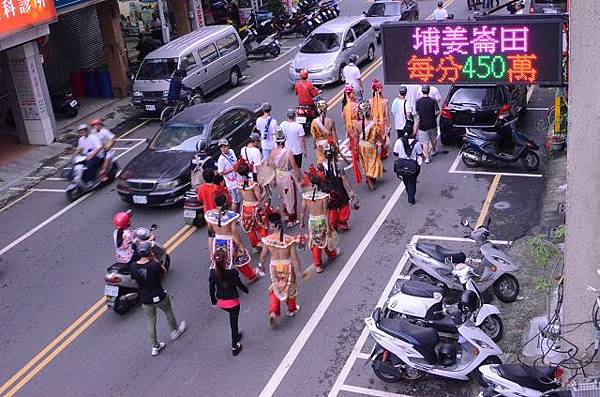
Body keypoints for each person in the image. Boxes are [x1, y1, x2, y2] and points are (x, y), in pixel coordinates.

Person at [131, 241, 187, 356]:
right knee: (168, 311)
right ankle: (175, 331)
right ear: (149, 252)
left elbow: (134, 281)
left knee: (151, 322)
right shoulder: (154, 265)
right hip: (159, 295)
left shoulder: (134, 266)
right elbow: (164, 272)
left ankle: (155, 346)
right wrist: (155, 259)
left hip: (145, 299)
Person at [259, 212, 308, 326]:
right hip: (286, 265)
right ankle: (291, 309)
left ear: (272, 226)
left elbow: (263, 256)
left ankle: (273, 312)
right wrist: (299, 272)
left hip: (274, 266)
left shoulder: (268, 239)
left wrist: (262, 267)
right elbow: (295, 259)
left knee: (276, 286)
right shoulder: (288, 239)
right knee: (290, 287)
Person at [205, 194, 263, 282]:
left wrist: (211, 251)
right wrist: (240, 246)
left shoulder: (210, 215)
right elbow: (234, 234)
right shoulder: (230, 216)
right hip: (230, 241)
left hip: (217, 242)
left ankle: (222, 282)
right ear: (225, 203)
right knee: (240, 259)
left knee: (220, 263)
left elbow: (210, 234)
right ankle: (251, 276)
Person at [300, 166, 339, 273]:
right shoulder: (324, 197)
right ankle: (331, 254)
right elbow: (326, 213)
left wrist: (302, 222)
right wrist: (328, 227)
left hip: (312, 220)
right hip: (321, 220)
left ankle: (318, 265)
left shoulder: (306, 197)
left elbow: (302, 211)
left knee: (315, 242)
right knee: (325, 238)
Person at [209, 248, 248, 356]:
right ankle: (234, 347)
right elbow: (239, 284)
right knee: (233, 324)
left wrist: (213, 301)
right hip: (233, 303)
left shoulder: (212, 273)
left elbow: (211, 288)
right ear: (226, 260)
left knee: (233, 321)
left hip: (221, 302)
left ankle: (236, 337)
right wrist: (246, 291)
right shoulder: (232, 272)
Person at [268, 128, 302, 228]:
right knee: (290, 197)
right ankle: (291, 218)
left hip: (278, 175)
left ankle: (286, 214)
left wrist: (273, 179)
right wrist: (299, 175)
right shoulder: (288, 152)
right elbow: (294, 165)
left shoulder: (273, 152)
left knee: (284, 195)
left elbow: (272, 166)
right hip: (287, 175)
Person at [319, 144, 356, 231]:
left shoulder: (321, 167)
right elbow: (344, 179)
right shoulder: (339, 165)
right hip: (339, 189)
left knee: (332, 208)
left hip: (328, 192)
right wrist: (350, 190)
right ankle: (343, 222)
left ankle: (333, 223)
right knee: (344, 204)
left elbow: (319, 182)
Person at [237, 159, 270, 254]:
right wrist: (263, 191)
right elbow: (259, 198)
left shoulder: (239, 184)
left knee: (249, 228)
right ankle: (263, 242)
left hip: (245, 208)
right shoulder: (253, 184)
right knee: (263, 224)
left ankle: (255, 245)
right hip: (254, 208)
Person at [358, 102, 384, 190]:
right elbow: (378, 136)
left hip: (361, 145)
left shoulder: (356, 124)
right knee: (373, 162)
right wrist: (382, 142)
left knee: (364, 163)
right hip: (370, 146)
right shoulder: (373, 125)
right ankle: (371, 177)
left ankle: (368, 178)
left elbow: (355, 136)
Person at [393, 131, 424, 205]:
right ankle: (411, 199)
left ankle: (408, 190)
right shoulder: (416, 143)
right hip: (412, 166)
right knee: (412, 182)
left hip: (402, 165)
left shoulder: (399, 141)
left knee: (405, 179)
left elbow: (395, 153)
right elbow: (420, 153)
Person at [341, 84, 362, 184]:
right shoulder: (356, 106)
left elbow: (344, 120)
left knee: (354, 148)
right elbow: (361, 118)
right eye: (353, 92)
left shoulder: (345, 108)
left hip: (350, 130)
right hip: (357, 128)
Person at [415, 84, 439, 164]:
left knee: (425, 142)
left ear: (422, 91)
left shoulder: (418, 101)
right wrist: (434, 117)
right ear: (429, 91)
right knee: (433, 138)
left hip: (422, 124)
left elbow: (417, 112)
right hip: (432, 123)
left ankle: (427, 158)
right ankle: (434, 149)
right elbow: (437, 111)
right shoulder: (433, 100)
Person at [217, 138, 243, 213]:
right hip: (231, 183)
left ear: (228, 146)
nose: (223, 148)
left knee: (240, 199)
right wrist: (231, 169)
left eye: (225, 146)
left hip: (238, 179)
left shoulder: (231, 151)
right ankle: (235, 216)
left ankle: (238, 214)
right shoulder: (221, 159)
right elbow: (220, 172)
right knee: (235, 201)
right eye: (221, 147)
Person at [369, 79, 391, 160]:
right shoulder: (384, 102)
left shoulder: (370, 101)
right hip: (382, 124)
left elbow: (370, 114)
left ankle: (374, 153)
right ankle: (383, 154)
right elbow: (387, 114)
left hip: (373, 124)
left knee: (374, 139)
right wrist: (389, 126)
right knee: (383, 140)